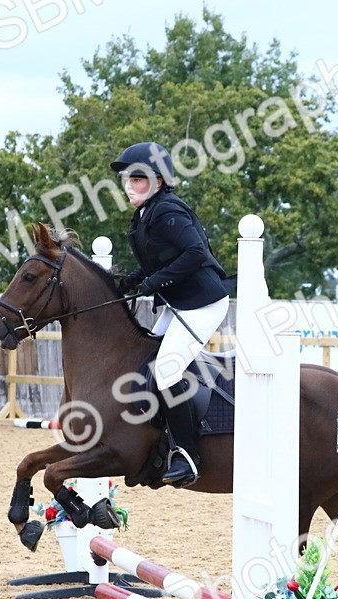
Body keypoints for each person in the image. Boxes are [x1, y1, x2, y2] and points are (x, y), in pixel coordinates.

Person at [110, 142, 231, 488]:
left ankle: (187, 455)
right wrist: (134, 279)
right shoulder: (145, 214)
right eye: (127, 179)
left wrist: (154, 282)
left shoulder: (167, 211)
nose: (129, 185)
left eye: (137, 179)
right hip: (180, 302)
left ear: (158, 181)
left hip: (203, 303)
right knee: (147, 357)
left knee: (166, 370)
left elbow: (196, 252)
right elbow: (161, 259)